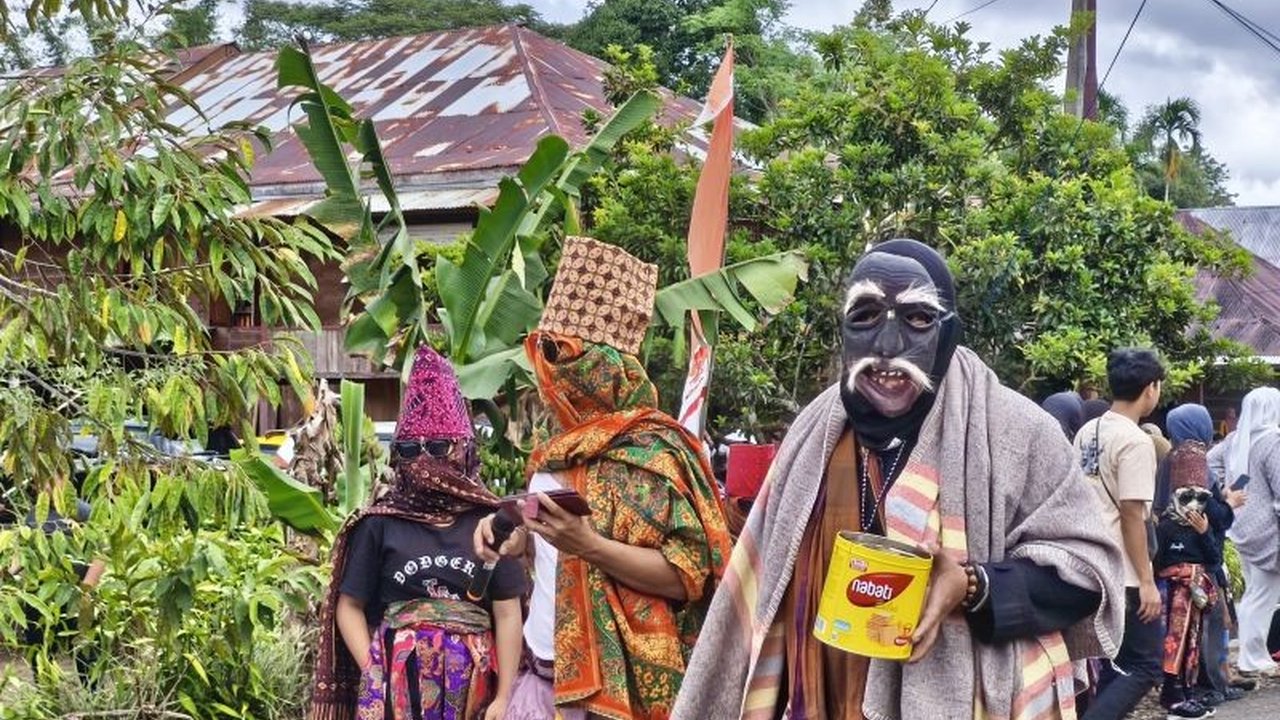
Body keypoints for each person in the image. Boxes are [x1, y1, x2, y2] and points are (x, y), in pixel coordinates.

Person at [672, 239, 1123, 720]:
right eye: (865, 315)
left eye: (918, 318)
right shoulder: (813, 432)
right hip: (825, 688)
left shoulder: (1018, 432)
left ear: (949, 333)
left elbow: (1089, 574)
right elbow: (765, 577)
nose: (887, 348)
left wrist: (973, 585)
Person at [474, 237, 732, 720]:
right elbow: (552, 556)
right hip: (541, 675)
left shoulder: (653, 452)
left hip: (620, 696)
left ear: (606, 365)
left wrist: (589, 545)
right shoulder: (553, 446)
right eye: (546, 351)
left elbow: (689, 576)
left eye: (564, 354)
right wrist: (518, 540)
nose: (552, 372)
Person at [311, 347, 526, 720]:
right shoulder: (379, 524)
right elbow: (350, 607)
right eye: (410, 449)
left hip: (474, 688)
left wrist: (504, 696)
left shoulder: (490, 522)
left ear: (461, 450)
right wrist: (377, 675)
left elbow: (507, 612)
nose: (423, 460)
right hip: (396, 690)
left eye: (438, 447)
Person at [1074, 349, 1210, 719]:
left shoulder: (1088, 431)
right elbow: (1132, 515)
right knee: (1146, 666)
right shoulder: (1135, 441)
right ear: (1151, 388)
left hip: (1088, 560)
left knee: (1113, 663)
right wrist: (1147, 581)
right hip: (1125, 570)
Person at [1157, 404, 1247, 707]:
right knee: (1204, 623)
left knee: (1197, 625)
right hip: (1198, 556)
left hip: (1176, 555)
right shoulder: (1193, 461)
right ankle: (1203, 686)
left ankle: (1204, 684)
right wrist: (1229, 503)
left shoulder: (1171, 459)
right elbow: (1210, 515)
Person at [1207, 386, 1280, 679]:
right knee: (1262, 594)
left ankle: (1254, 654)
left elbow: (1211, 461)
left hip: (1240, 523)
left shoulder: (1237, 439)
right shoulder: (1272, 441)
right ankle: (1253, 657)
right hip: (1269, 529)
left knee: (1255, 592)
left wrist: (1227, 489)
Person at [1151, 418, 1219, 713]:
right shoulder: (1166, 526)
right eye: (1186, 496)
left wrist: (1204, 533)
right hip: (1172, 595)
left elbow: (1213, 559)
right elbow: (1158, 561)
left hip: (1195, 595)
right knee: (1172, 641)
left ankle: (1188, 689)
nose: (1193, 504)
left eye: (1200, 497)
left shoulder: (1203, 525)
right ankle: (1171, 692)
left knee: (1193, 642)